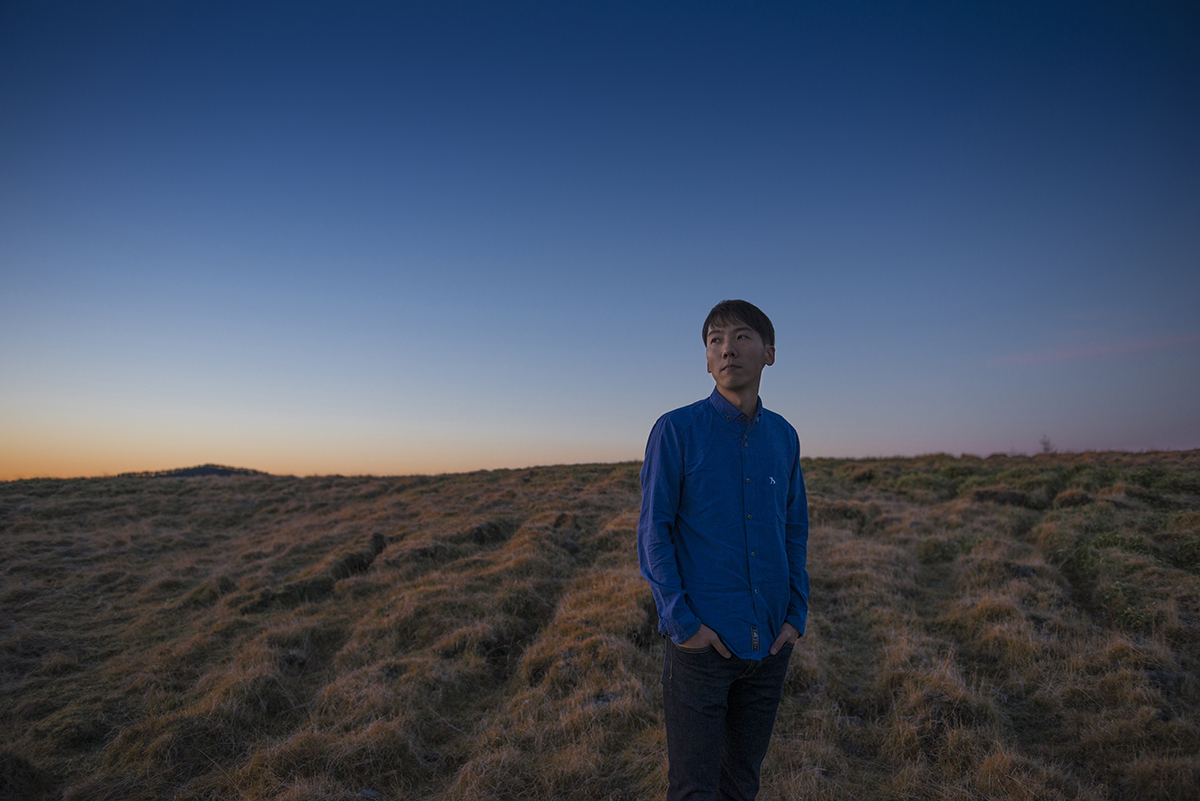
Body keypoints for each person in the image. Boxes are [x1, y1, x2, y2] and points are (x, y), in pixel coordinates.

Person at [638, 299, 810, 801]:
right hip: (702, 647)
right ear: (707, 360)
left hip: (771, 644)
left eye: (741, 337)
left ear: (769, 353)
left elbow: (794, 529)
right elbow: (653, 533)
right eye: (715, 340)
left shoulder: (784, 436)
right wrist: (683, 625)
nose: (727, 349)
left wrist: (795, 615)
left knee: (742, 782)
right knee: (694, 788)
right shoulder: (676, 430)